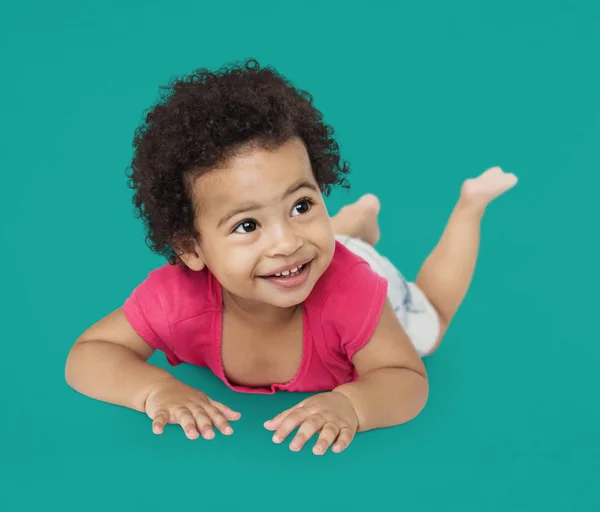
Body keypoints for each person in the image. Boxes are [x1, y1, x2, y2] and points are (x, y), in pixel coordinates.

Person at [65, 58, 518, 456]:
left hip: (345, 270)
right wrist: (154, 389)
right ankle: (354, 222)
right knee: (302, 250)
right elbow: (88, 354)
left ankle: (469, 206)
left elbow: (406, 378)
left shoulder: (355, 296)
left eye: (302, 204)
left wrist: (352, 404)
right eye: (247, 225)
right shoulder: (176, 299)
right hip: (312, 260)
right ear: (191, 249)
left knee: (431, 325)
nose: (284, 238)